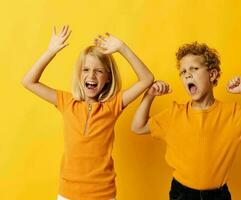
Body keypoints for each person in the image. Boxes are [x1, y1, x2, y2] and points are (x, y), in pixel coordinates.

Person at [131, 42, 241, 200]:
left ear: (212, 75)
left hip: (217, 195)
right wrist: (150, 95)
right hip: (181, 194)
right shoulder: (175, 114)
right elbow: (138, 127)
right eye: (183, 71)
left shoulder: (232, 113)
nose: (187, 74)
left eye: (194, 69)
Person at [21, 25, 154, 200]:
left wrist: (122, 48)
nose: (91, 76)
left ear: (108, 78)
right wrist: (50, 51)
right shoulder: (66, 102)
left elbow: (147, 79)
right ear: (79, 74)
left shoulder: (112, 105)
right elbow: (28, 81)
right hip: (68, 194)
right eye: (86, 70)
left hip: (103, 194)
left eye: (98, 71)